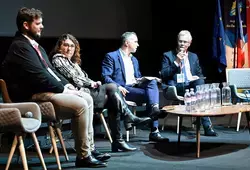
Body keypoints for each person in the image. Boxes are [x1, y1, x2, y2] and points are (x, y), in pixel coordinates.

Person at [1, 7, 109, 168]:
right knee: (79, 104)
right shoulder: (20, 46)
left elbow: (50, 71)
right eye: (38, 23)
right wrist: (64, 90)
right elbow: (39, 75)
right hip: (29, 97)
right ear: (25, 25)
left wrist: (68, 86)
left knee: (86, 97)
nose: (42, 26)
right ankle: (83, 155)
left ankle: (90, 149)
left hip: (42, 91)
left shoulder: (36, 46)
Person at [50, 33, 151, 152]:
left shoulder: (73, 62)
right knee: (113, 87)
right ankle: (127, 121)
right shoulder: (58, 59)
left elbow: (84, 78)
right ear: (59, 47)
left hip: (87, 92)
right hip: (77, 96)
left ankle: (119, 139)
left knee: (114, 99)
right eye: (66, 45)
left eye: (72, 46)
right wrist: (91, 84)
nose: (69, 49)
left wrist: (93, 82)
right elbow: (73, 77)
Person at [102, 32, 169, 142]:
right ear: (127, 43)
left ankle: (154, 113)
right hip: (122, 91)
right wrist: (117, 87)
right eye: (135, 42)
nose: (138, 44)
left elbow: (136, 78)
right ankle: (154, 128)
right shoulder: (111, 56)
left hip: (133, 88)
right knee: (151, 96)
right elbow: (106, 77)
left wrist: (144, 79)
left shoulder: (134, 60)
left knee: (152, 84)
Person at [161, 30, 218, 136]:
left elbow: (200, 74)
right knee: (199, 95)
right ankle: (206, 124)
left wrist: (197, 77)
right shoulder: (168, 55)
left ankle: (206, 126)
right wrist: (176, 62)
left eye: (185, 42)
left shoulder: (193, 56)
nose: (182, 44)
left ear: (189, 43)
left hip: (191, 86)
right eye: (180, 41)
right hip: (176, 87)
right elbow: (164, 74)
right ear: (177, 41)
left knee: (200, 84)